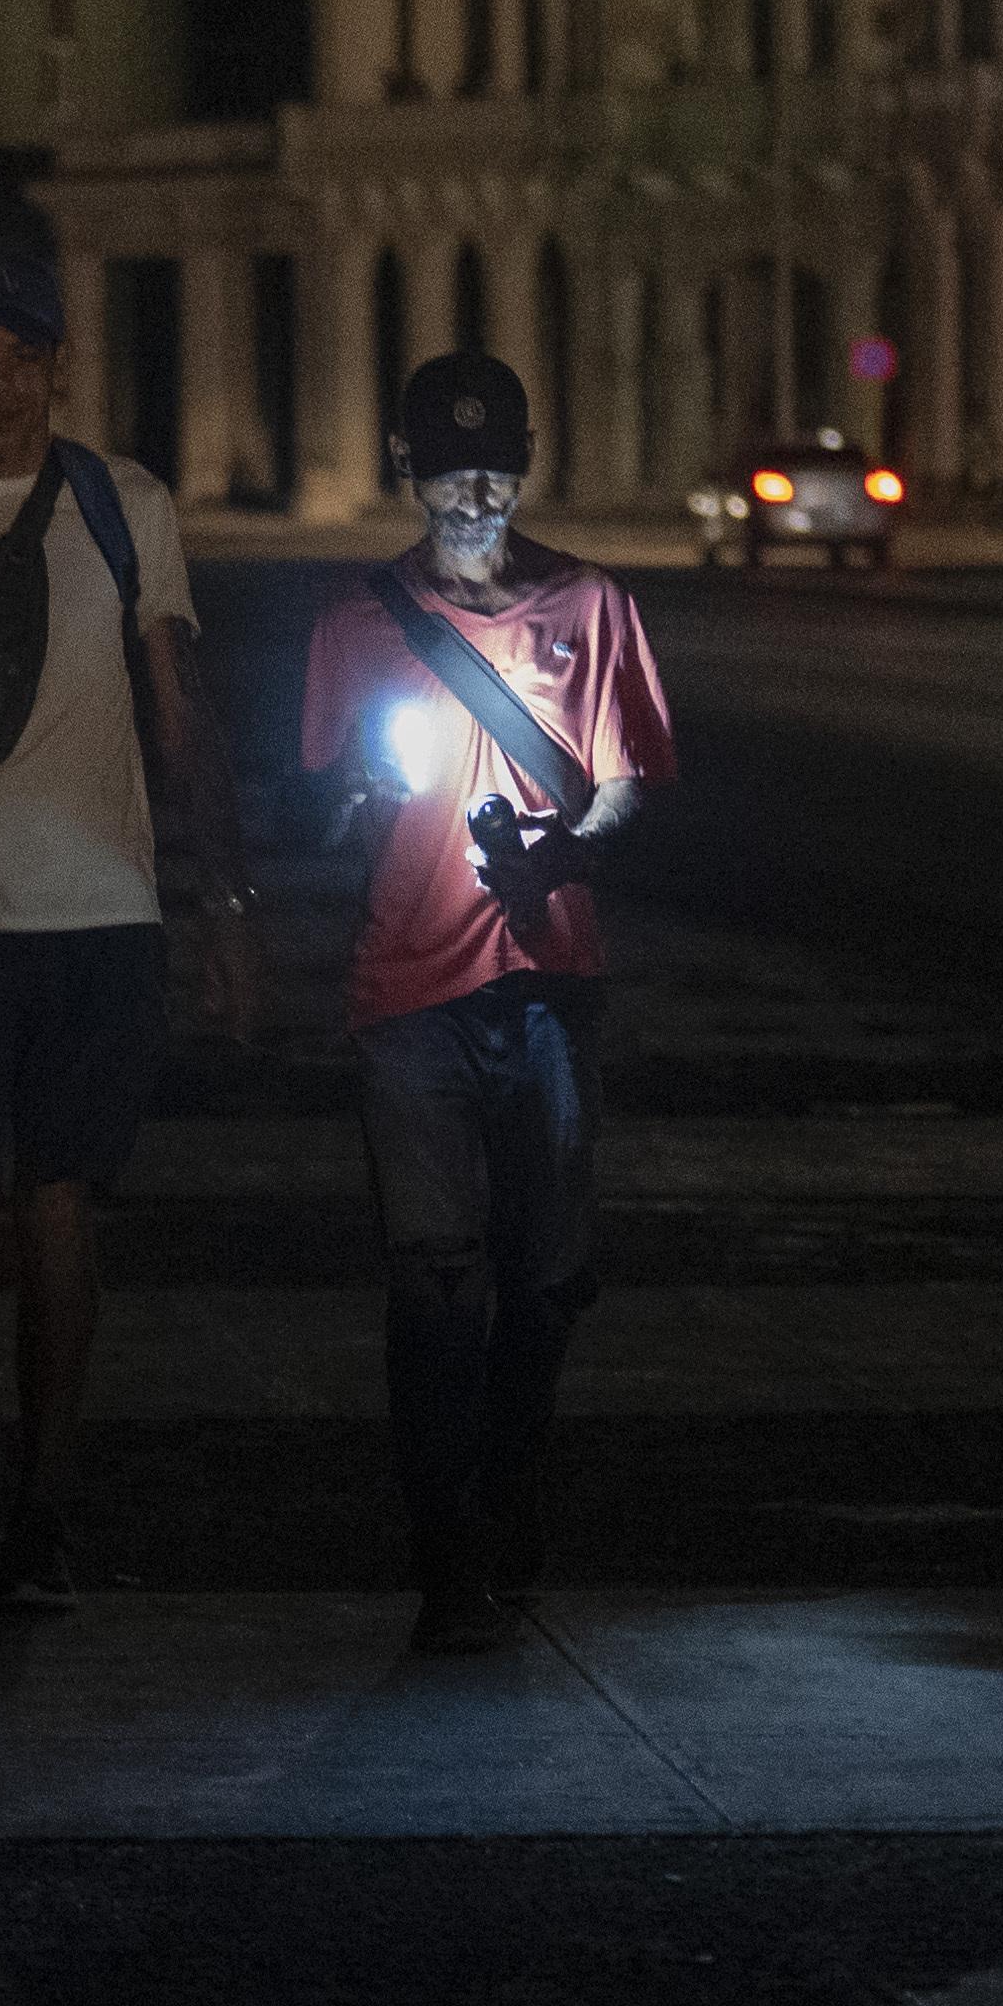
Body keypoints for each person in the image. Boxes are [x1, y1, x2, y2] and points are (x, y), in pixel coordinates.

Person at [0, 246, 252, 1607]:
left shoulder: (126, 509)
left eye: (21, 357)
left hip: (101, 918)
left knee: (60, 1208)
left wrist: (223, 902)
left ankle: (46, 1495)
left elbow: (179, 715)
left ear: (59, 365)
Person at [294, 349, 675, 1658]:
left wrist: (568, 849)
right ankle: (448, 1555)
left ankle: (508, 1489)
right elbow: (321, 799)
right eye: (451, 467)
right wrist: (346, 801)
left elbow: (627, 782)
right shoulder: (354, 621)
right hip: (409, 988)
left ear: (525, 467)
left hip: (551, 985)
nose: (474, 492)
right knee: (434, 1280)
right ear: (407, 466)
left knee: (548, 1278)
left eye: (496, 467)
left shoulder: (592, 603)